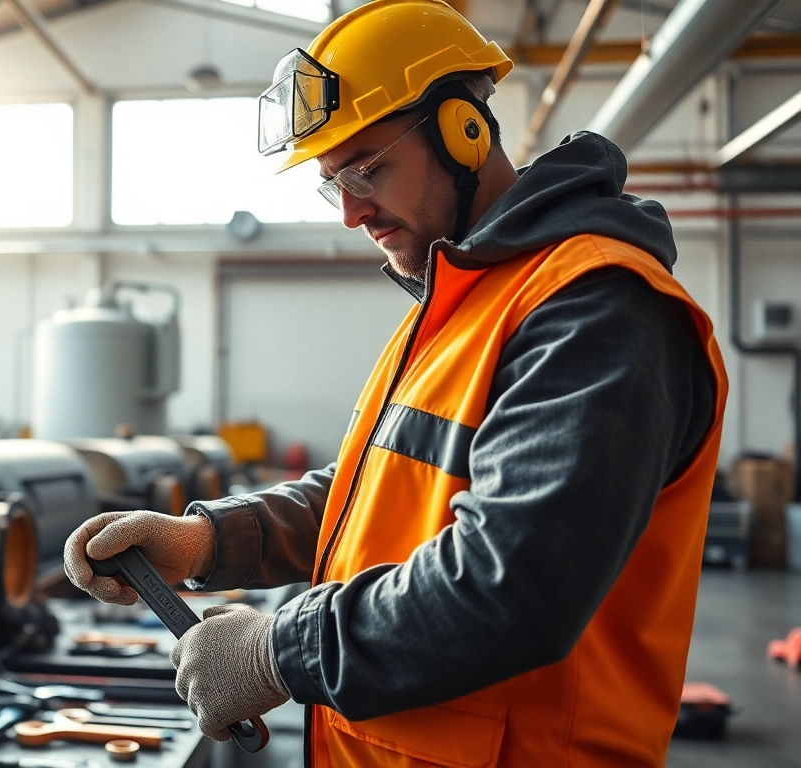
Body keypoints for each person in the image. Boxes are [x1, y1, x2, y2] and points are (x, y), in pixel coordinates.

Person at [63, 1, 730, 765]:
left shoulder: (596, 308)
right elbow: (370, 498)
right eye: (330, 185)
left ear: (463, 131)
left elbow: (514, 582)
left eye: (366, 169)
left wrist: (277, 650)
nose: (350, 213)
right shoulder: (459, 305)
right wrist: (211, 540)